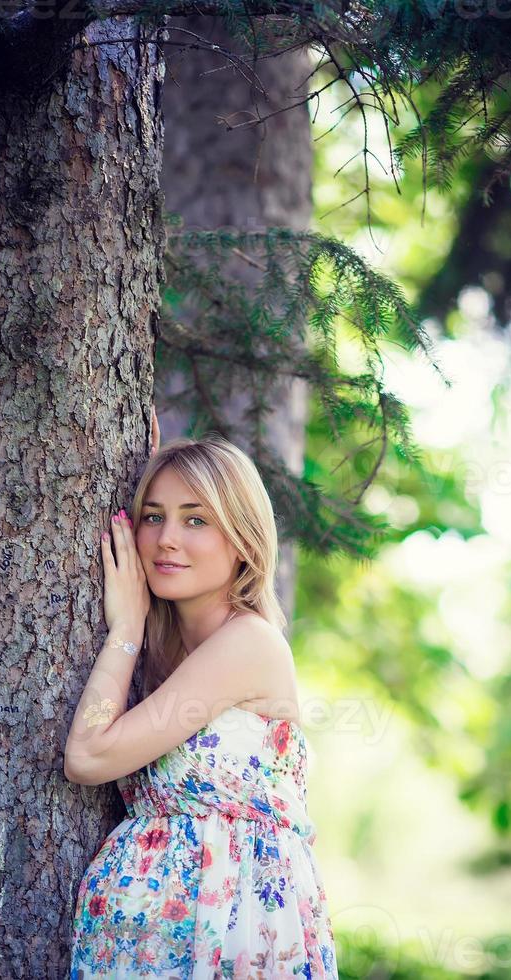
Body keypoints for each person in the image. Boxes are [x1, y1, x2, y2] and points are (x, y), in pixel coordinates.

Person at [65, 408, 339, 978]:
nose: (166, 539)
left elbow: (88, 756)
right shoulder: (170, 657)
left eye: (196, 520)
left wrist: (125, 630)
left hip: (233, 933)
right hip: (151, 942)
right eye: (154, 516)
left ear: (242, 539)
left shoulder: (250, 644)